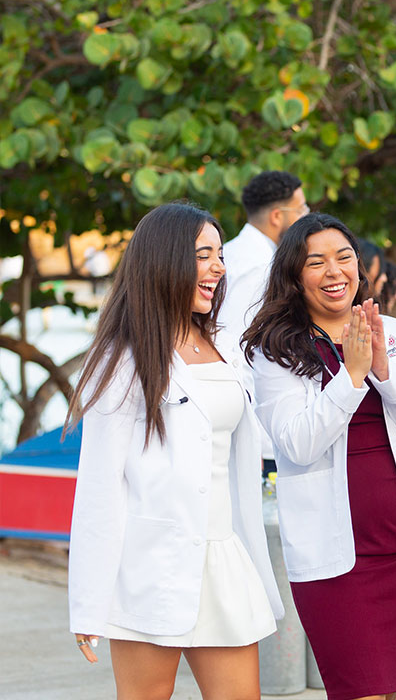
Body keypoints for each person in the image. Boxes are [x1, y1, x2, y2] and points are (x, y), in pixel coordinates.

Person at [66, 203, 284, 699]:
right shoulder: (122, 360)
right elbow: (101, 487)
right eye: (204, 255)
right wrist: (88, 602)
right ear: (165, 262)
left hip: (223, 558)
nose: (218, 268)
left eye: (220, 255)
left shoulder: (227, 345)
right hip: (150, 568)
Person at [241, 214, 396, 700]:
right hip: (336, 556)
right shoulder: (276, 349)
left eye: (344, 257)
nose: (334, 272)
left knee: (388, 690)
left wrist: (383, 370)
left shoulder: (389, 330)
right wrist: (351, 378)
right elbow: (297, 443)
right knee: (360, 690)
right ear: (294, 274)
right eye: (317, 262)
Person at [219, 170, 308, 476]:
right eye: (301, 209)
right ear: (276, 216)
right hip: (257, 438)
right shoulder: (260, 267)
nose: (307, 218)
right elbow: (236, 350)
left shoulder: (230, 254)